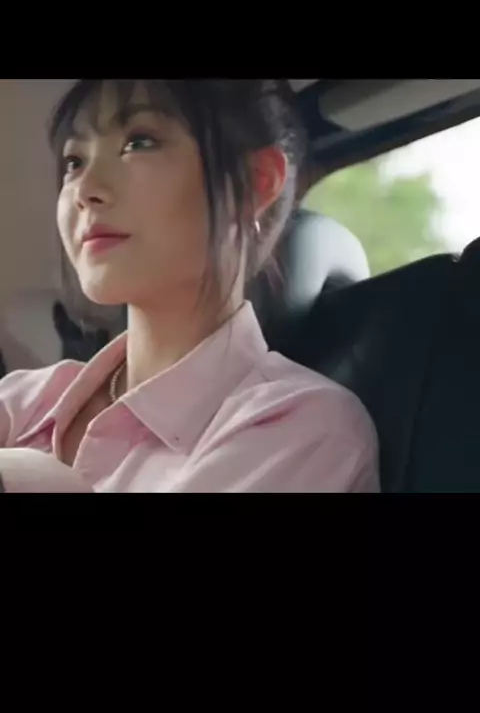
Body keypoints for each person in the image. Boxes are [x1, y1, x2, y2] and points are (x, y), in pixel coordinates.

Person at [0, 79, 379, 492]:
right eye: (74, 162)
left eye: (139, 142)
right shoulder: (22, 399)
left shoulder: (305, 431)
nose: (85, 190)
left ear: (256, 182)